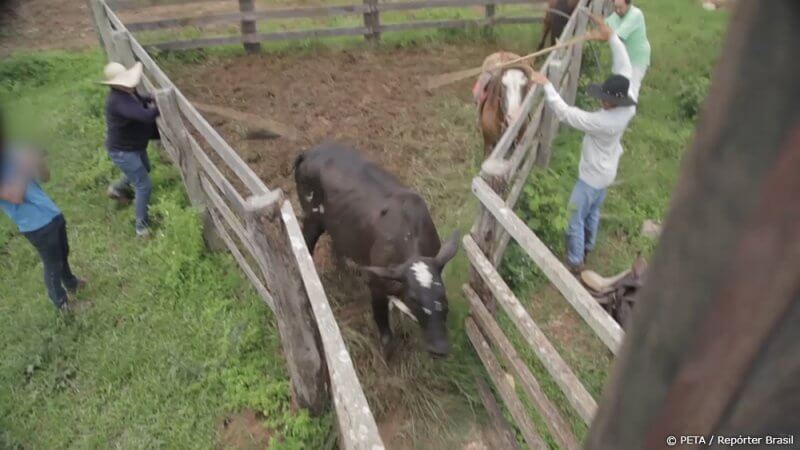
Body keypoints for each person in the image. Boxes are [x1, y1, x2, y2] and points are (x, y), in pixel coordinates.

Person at [529, 15, 639, 273]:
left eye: (605, 100)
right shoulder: (628, 103)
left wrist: (547, 86)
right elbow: (624, 67)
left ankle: (575, 261)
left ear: (614, 104)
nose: (602, 101)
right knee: (593, 211)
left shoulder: (603, 122)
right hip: (607, 173)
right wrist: (611, 36)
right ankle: (588, 245)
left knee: (574, 215)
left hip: (591, 176)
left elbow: (567, 114)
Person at [0, 109, 85, 311]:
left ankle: (71, 282)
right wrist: (24, 166)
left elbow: (45, 177)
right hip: (35, 225)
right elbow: (14, 196)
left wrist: (39, 161)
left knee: (63, 252)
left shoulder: (12, 150)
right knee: (52, 264)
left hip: (51, 213)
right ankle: (61, 302)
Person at [101, 61, 160, 237]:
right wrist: (158, 106)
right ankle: (141, 227)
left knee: (145, 169)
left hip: (132, 146)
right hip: (123, 151)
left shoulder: (127, 93)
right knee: (144, 186)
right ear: (117, 85)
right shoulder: (117, 102)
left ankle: (117, 189)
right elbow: (145, 115)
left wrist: (149, 97)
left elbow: (139, 99)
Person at [605, 0, 651, 89]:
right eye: (615, 7)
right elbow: (605, 24)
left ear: (629, 4)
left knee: (631, 88)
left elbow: (618, 37)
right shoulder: (617, 15)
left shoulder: (635, 15)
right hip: (625, 58)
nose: (617, 10)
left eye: (620, 7)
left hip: (637, 59)